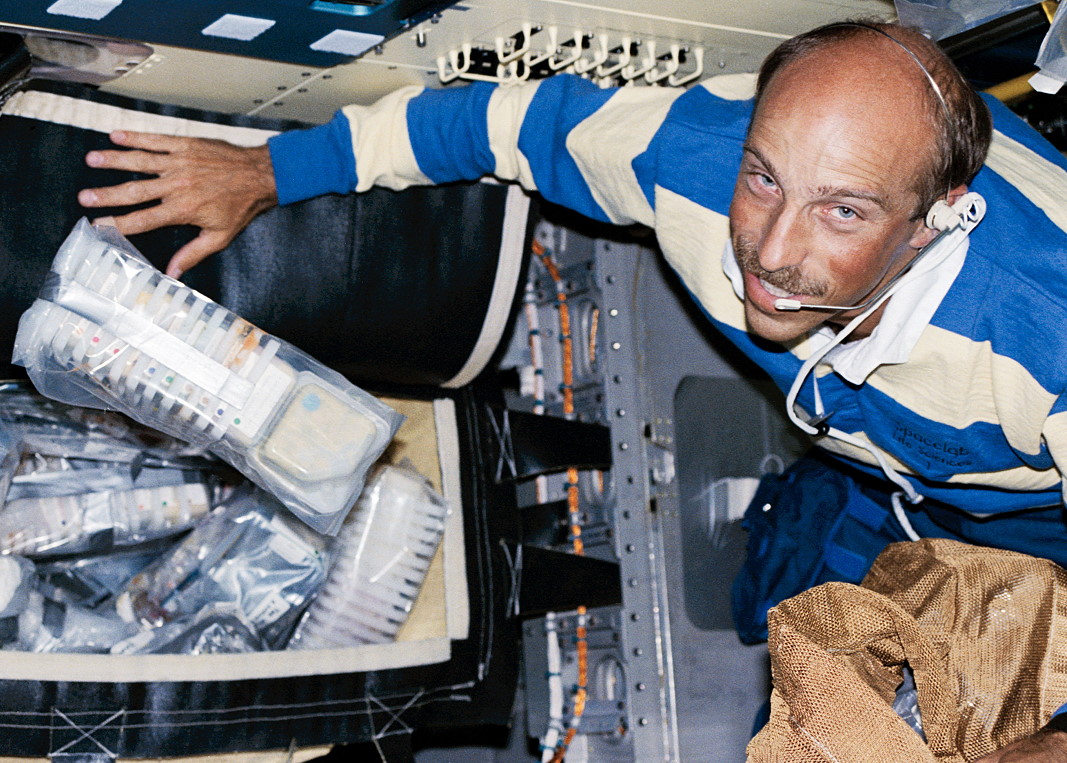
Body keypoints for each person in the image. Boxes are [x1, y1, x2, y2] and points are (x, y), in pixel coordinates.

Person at [76, 19, 1067, 760]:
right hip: (895, 480)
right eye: (763, 178)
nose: (768, 252)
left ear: (938, 218)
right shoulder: (686, 160)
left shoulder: (1042, 338)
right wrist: (270, 169)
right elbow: (507, 123)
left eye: (842, 211)